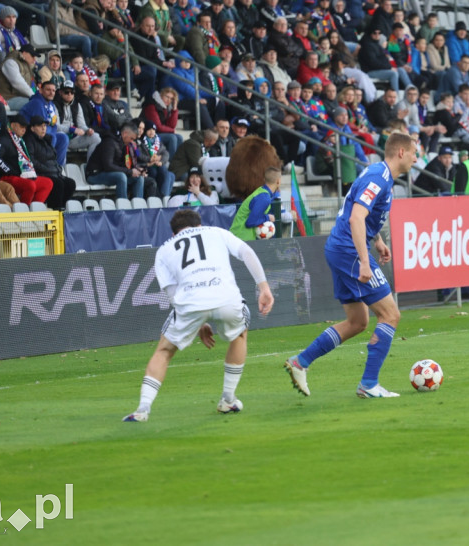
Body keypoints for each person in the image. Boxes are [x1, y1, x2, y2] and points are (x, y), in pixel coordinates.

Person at [284, 132, 417, 398]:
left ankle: (300, 362)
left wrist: (377, 241)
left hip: (341, 248)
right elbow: (356, 218)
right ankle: (368, 384)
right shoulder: (378, 177)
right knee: (390, 315)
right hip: (349, 251)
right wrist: (365, 262)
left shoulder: (380, 176)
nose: (416, 158)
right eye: (414, 152)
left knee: (357, 321)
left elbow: (361, 214)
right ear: (401, 152)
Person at [123, 208, 274, 421]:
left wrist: (197, 322)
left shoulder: (164, 250)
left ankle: (142, 409)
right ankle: (228, 399)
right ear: (199, 226)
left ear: (174, 233)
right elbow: (246, 252)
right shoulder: (216, 232)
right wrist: (264, 287)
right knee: (240, 334)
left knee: (164, 350)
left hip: (190, 302)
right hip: (225, 297)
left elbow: (172, 292)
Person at [229, 166, 280, 242]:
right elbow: (250, 222)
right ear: (278, 181)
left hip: (240, 237)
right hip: (241, 238)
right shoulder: (264, 198)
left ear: (264, 180)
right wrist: (268, 217)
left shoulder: (262, 192)